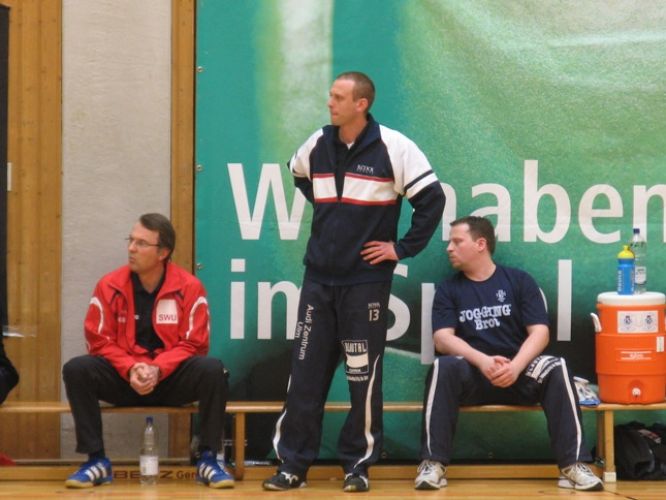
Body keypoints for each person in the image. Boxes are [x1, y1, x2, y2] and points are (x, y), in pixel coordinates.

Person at [263, 71, 446, 493]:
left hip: (365, 284)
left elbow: (432, 200)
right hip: (318, 281)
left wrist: (401, 248)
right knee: (305, 376)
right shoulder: (317, 143)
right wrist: (334, 214)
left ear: (361, 104)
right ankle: (292, 465)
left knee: (363, 378)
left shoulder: (395, 147)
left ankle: (357, 466)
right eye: (331, 96)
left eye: (338, 97)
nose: (330, 103)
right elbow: (298, 173)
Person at [414, 216, 603, 491]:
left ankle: (573, 464)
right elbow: (442, 339)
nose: (449, 248)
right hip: (474, 375)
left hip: (519, 374)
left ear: (480, 244)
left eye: (457, 241)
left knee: (557, 365)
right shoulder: (449, 288)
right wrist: (483, 361)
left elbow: (540, 333)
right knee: (444, 366)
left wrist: (515, 367)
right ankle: (432, 463)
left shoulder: (519, 281)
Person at [62, 213, 233, 489]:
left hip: (170, 380)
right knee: (77, 369)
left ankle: (208, 459)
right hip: (125, 379)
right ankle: (96, 460)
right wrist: (131, 367)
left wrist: (158, 368)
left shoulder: (190, 287)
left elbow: (195, 344)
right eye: (130, 240)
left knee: (213, 369)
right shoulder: (109, 285)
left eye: (141, 243)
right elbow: (98, 341)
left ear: (163, 252)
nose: (131, 248)